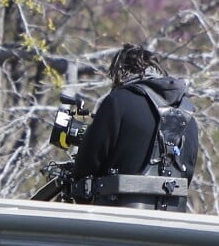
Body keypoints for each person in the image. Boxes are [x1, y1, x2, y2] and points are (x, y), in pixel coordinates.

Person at [73, 43, 199, 211]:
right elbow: (187, 175)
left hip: (119, 219)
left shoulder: (118, 101)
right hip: (172, 224)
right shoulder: (188, 114)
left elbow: (87, 166)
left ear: (120, 73)